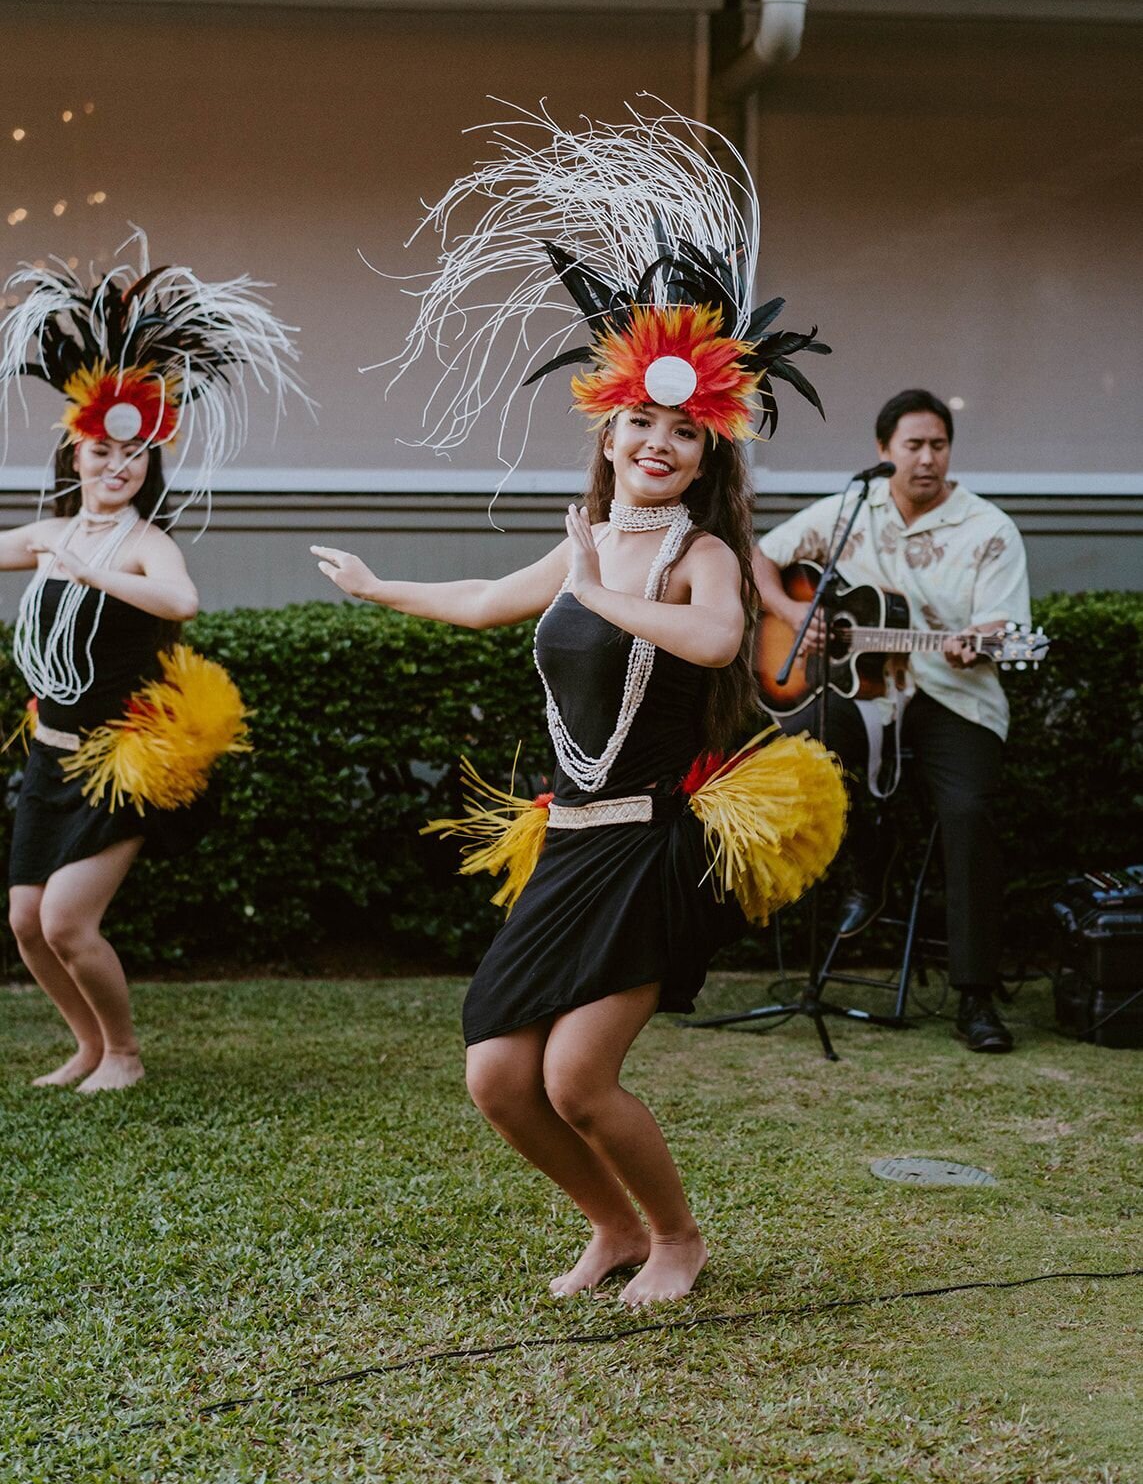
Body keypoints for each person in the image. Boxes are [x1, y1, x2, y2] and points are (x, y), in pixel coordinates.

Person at [313, 104, 846, 1305]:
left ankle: (678, 1240)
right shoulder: (588, 541)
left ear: (707, 452)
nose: (657, 444)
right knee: (499, 1074)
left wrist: (608, 590)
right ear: (607, 429)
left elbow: (718, 639)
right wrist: (378, 583)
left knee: (579, 1079)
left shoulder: (699, 554)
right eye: (638, 424)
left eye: (680, 432)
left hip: (654, 848)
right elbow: (491, 599)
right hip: (566, 842)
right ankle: (608, 1227)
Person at [0, 236, 307, 1089]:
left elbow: (183, 603)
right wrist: (64, 554)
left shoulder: (145, 544)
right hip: (47, 755)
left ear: (148, 464)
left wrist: (95, 568)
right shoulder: (49, 532)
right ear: (74, 454)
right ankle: (88, 1046)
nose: (116, 466)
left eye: (132, 455)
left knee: (67, 920)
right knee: (26, 922)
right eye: (101, 451)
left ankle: (126, 1054)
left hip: (119, 763)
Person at [753, 389, 1032, 1052]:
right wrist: (792, 614)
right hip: (863, 693)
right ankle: (865, 861)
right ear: (883, 452)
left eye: (938, 445)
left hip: (951, 695)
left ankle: (975, 998)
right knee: (803, 743)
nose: (927, 458)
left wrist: (978, 641)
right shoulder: (851, 510)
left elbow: (1001, 624)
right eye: (913, 445)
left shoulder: (988, 529)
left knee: (967, 813)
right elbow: (760, 557)